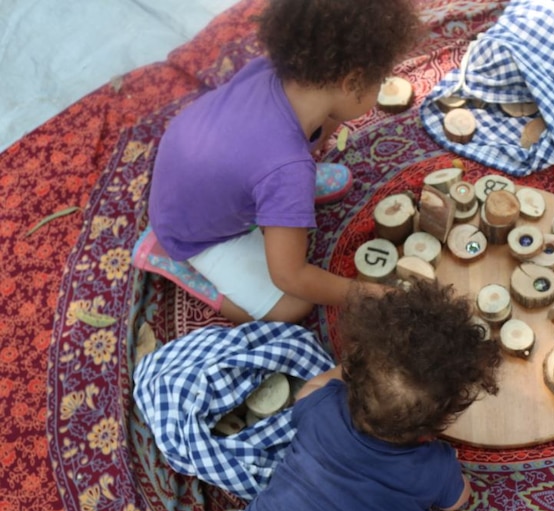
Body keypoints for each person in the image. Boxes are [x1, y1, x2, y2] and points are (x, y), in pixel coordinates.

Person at [147, 0, 422, 323]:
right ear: (351, 82)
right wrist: (363, 294)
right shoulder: (286, 169)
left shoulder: (273, 70)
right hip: (192, 232)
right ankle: (174, 263)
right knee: (294, 306)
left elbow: (303, 134)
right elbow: (290, 276)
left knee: (284, 175)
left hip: (188, 176)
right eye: (381, 79)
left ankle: (276, 204)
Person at [202, 280, 502, 511]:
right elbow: (459, 501)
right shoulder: (434, 466)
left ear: (351, 374)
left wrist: (361, 367)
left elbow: (310, 387)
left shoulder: (324, 406)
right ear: (443, 416)